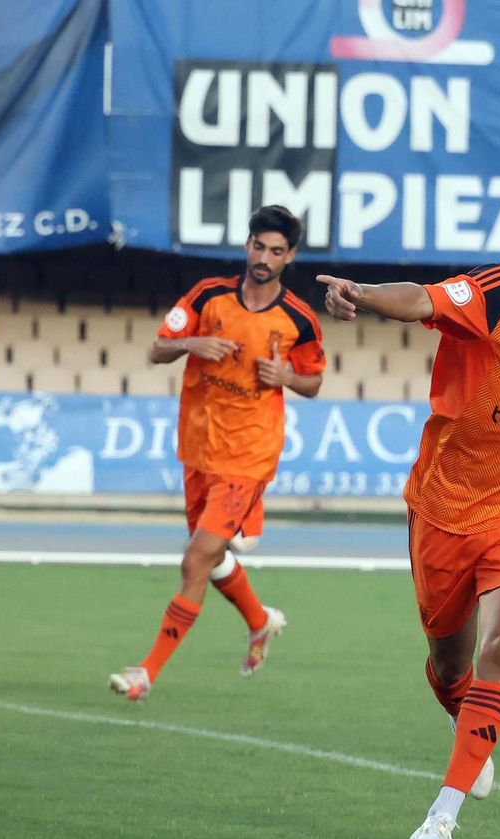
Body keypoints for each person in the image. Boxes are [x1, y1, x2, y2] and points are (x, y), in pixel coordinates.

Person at [317, 171, 500, 839]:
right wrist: (361, 292)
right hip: (446, 509)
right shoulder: (495, 291)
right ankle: (463, 721)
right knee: (450, 664)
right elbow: (420, 299)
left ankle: (440, 820)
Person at [108, 206, 323, 702]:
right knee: (211, 555)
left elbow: (312, 380)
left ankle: (146, 672)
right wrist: (192, 342)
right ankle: (259, 621)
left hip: (249, 455)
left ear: (289, 256)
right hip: (199, 447)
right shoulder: (207, 296)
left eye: (276, 250)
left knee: (196, 559)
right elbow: (156, 350)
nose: (264, 257)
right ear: (246, 245)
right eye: (258, 246)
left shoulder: (298, 319)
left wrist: (285, 377)